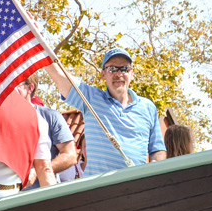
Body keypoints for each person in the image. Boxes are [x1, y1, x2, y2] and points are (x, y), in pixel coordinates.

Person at [46, 47, 166, 175]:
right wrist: (40, 49)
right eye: (112, 69)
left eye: (124, 69)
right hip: (99, 185)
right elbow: (61, 78)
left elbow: (157, 150)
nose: (118, 74)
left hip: (135, 183)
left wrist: (155, 168)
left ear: (132, 74)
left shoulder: (148, 107)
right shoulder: (90, 99)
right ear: (103, 74)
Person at [17, 74, 77, 180]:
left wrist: (38, 172)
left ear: (30, 88)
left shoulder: (50, 116)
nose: (10, 90)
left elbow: (70, 155)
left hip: (44, 188)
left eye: (16, 84)